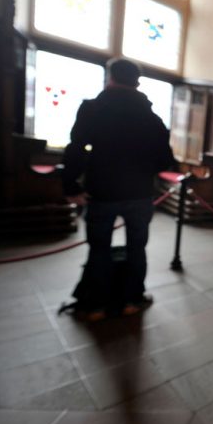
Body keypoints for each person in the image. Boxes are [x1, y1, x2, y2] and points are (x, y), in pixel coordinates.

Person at [62, 57, 175, 320]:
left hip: (101, 192)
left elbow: (76, 149)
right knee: (137, 248)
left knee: (99, 248)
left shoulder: (92, 109)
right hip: (140, 194)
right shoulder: (153, 119)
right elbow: (164, 161)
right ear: (137, 82)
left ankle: (96, 306)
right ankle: (132, 301)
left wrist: (70, 186)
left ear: (110, 77)